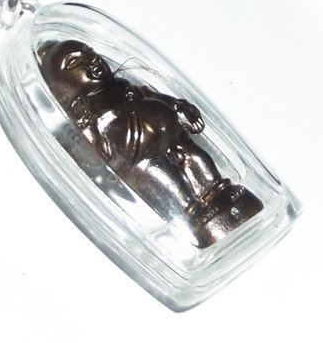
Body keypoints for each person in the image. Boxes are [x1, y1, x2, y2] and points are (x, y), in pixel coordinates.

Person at [38, 40, 262, 247]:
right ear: (62, 88)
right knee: (166, 181)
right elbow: (93, 152)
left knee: (196, 158)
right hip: (140, 155)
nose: (91, 61)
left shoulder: (122, 86)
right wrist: (86, 128)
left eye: (90, 53)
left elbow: (150, 94)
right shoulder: (86, 114)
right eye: (75, 63)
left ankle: (217, 191)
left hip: (172, 132)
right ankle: (193, 212)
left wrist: (178, 105)